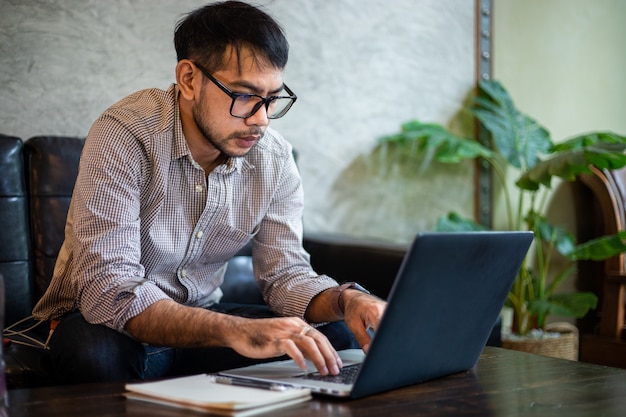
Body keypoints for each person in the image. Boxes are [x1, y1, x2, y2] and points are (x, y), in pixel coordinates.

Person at [32, 1, 386, 385]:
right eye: (245, 96)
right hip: (115, 328)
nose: (261, 120)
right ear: (188, 79)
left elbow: (285, 274)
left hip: (203, 321)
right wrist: (236, 331)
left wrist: (347, 299)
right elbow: (109, 290)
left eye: (271, 99)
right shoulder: (126, 133)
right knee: (93, 350)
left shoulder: (275, 158)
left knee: (333, 335)